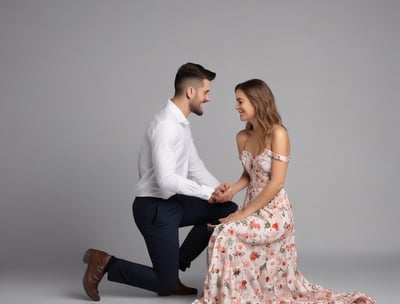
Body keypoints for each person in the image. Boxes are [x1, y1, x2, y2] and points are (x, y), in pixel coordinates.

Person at [193, 79, 374, 304]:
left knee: (226, 232)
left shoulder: (278, 134)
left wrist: (243, 213)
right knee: (221, 232)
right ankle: (228, 296)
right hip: (253, 206)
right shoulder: (242, 137)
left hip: (275, 212)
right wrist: (230, 190)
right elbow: (249, 175)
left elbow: (276, 182)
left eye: (240, 101)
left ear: (257, 102)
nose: (236, 106)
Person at [82, 63, 237, 301]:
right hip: (153, 209)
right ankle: (105, 262)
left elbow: (195, 166)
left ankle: (175, 266)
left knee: (226, 209)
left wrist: (219, 191)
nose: (208, 98)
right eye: (206, 92)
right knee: (162, 284)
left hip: (173, 204)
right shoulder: (165, 126)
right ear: (190, 92)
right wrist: (207, 193)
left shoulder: (181, 125)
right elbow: (166, 181)